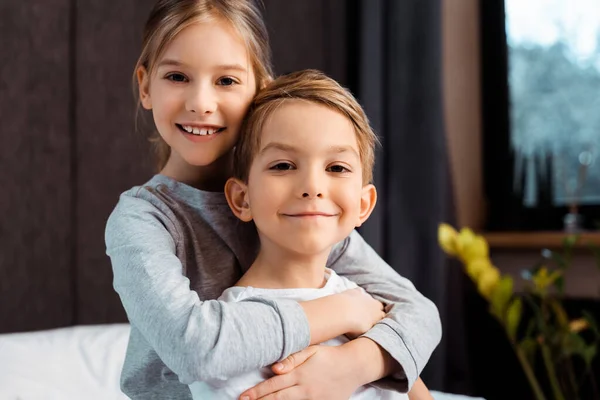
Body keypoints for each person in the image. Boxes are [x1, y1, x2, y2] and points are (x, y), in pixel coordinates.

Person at [105, 1, 441, 399]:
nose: (201, 102)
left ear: (260, 89)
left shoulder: (293, 210)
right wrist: (345, 310)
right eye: (177, 76)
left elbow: (419, 313)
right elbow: (193, 348)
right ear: (145, 86)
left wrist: (351, 366)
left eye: (226, 81)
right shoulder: (143, 219)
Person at [187, 69, 433, 400]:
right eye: (283, 166)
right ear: (242, 199)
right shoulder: (232, 335)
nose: (312, 187)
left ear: (363, 205)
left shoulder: (367, 305)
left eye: (336, 168)